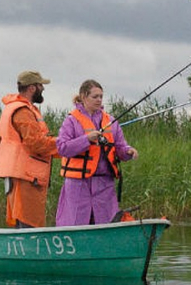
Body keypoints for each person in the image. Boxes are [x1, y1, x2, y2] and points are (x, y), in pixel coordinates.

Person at [55, 79, 138, 227]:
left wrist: (128, 151)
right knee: (76, 224)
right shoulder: (71, 121)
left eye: (101, 96)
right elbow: (62, 147)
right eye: (95, 97)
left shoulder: (111, 121)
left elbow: (120, 147)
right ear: (83, 97)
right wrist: (86, 139)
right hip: (78, 184)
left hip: (104, 184)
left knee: (107, 225)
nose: (99, 100)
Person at [0, 70, 58, 228]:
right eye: (41, 85)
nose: (43, 88)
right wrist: (64, 145)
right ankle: (28, 252)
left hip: (22, 173)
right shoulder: (23, 111)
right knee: (29, 224)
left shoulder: (19, 108)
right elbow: (36, 143)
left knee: (24, 223)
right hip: (26, 175)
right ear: (32, 88)